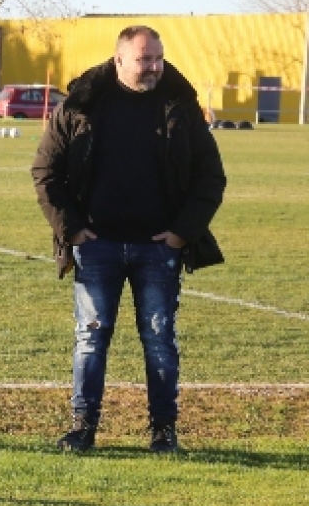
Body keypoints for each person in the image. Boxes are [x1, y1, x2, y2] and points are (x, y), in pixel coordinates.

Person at [31, 25, 226, 454]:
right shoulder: (81, 105)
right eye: (144, 59)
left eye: (158, 58)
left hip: (158, 249)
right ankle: (83, 427)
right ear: (119, 60)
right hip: (95, 247)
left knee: (159, 339)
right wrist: (72, 229)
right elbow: (46, 172)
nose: (153, 67)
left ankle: (163, 431)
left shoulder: (181, 106)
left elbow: (211, 176)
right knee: (91, 337)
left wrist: (182, 233)